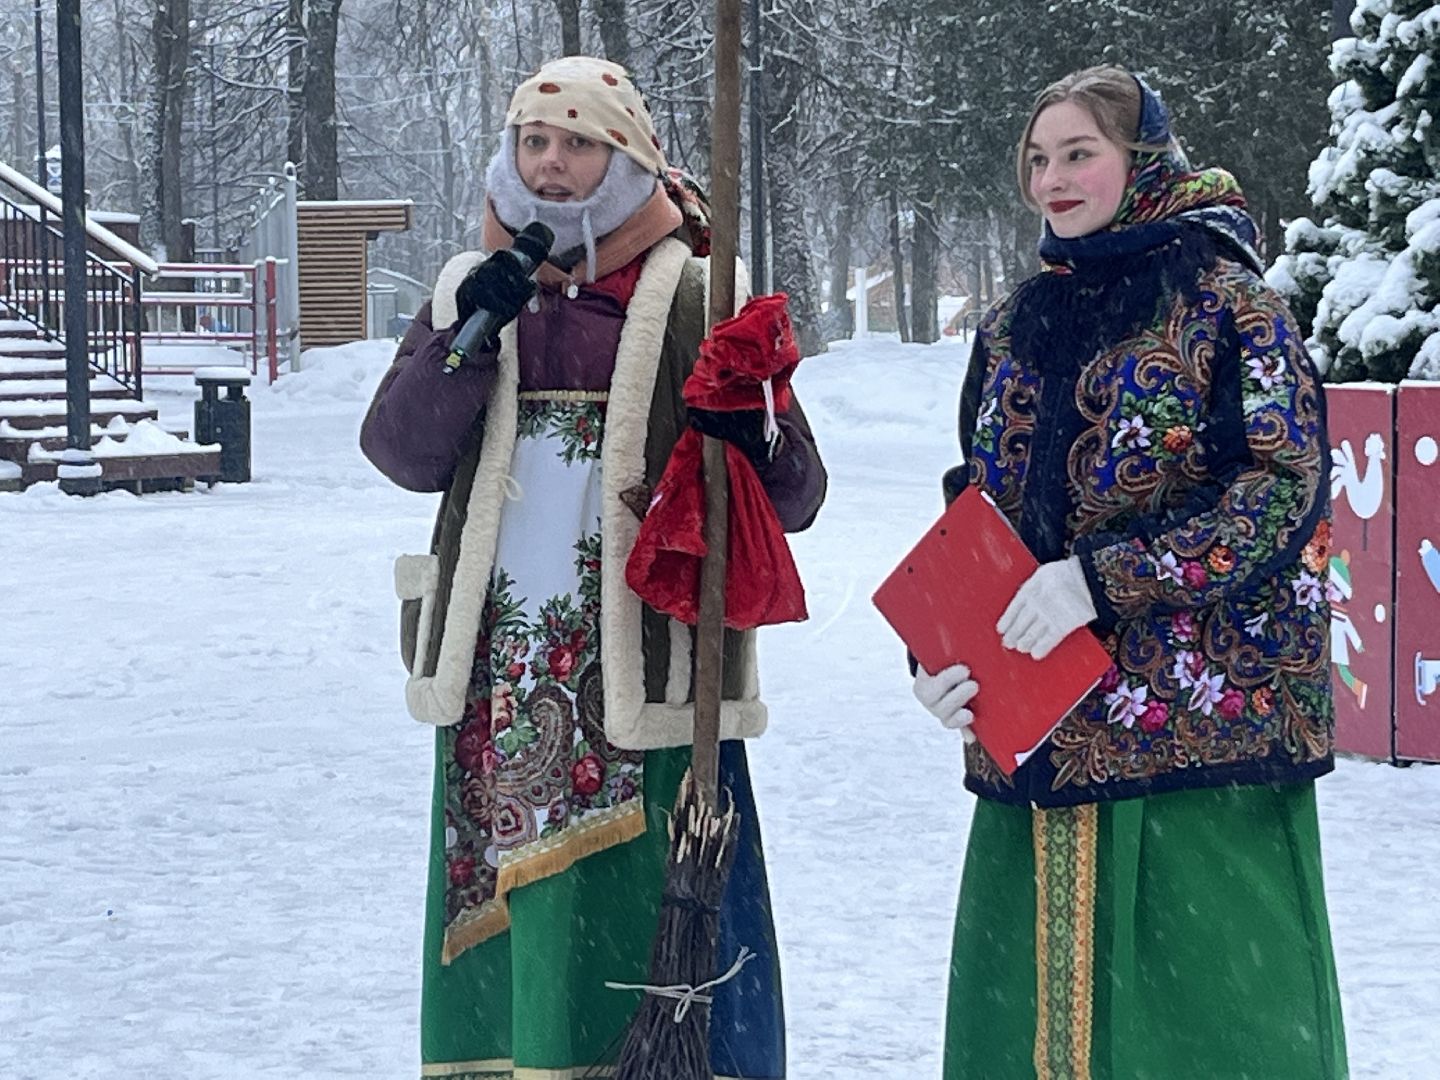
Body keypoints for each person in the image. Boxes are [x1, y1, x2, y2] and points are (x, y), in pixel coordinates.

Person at [360, 55, 825, 1080]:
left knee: (633, 893)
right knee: (515, 898)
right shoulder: (471, 289)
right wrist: (463, 343)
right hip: (500, 664)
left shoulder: (697, 292)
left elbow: (796, 493)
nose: (552, 163)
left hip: (643, 657)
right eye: (535, 140)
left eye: (580, 142)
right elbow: (400, 453)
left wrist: (743, 420)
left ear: (629, 160)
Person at [914, 66, 1347, 1079]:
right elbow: (976, 498)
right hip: (1040, 726)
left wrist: (1104, 580)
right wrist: (941, 652)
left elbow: (1281, 486)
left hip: (1202, 731)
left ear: (1143, 160)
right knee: (1031, 1025)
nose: (1053, 180)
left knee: (1207, 1024)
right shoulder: (1016, 321)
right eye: (1038, 159)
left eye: (1080, 154)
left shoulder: (1231, 304)